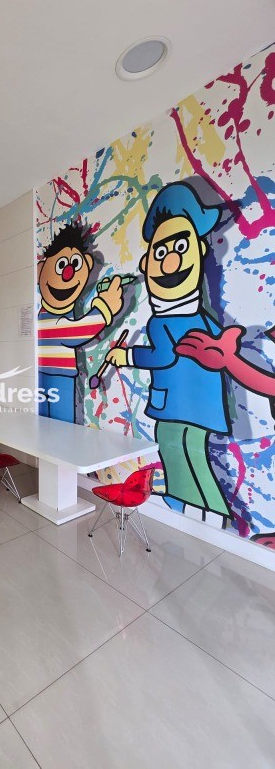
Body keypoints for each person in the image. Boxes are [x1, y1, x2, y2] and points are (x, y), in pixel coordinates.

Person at [106, 181, 232, 526]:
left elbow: (162, 357)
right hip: (203, 404)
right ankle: (211, 513)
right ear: (147, 262)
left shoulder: (162, 321)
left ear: (200, 250)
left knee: (174, 445)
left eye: (180, 247)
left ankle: (189, 506)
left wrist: (126, 357)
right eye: (161, 253)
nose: (172, 260)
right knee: (194, 453)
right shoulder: (200, 317)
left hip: (177, 404)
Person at [38, 221, 123, 422]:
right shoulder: (46, 318)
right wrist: (104, 308)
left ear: (87, 264)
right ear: (40, 270)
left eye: (74, 264)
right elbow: (73, 332)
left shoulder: (44, 316)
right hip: (57, 376)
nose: (67, 274)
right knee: (60, 425)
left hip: (49, 374)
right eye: (60, 266)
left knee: (49, 424)